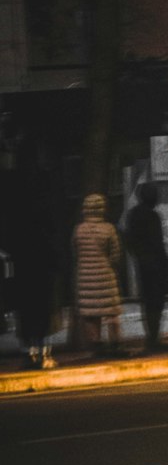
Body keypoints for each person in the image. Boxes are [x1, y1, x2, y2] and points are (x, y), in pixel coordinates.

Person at [9, 132, 62, 370]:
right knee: (43, 304)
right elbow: (50, 218)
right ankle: (43, 351)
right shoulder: (44, 181)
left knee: (27, 305)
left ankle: (28, 351)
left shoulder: (14, 182)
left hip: (23, 254)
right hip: (42, 253)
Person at [72, 192, 124, 356]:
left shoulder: (78, 230)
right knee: (111, 312)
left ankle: (95, 343)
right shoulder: (108, 229)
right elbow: (116, 254)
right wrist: (108, 264)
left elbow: (74, 253)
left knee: (90, 315)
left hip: (85, 277)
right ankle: (115, 342)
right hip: (105, 276)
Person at [124, 181, 168, 353]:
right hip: (155, 265)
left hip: (144, 264)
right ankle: (154, 338)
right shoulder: (152, 216)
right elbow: (157, 243)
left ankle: (152, 338)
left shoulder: (133, 215)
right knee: (156, 303)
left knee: (148, 302)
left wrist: (139, 256)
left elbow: (129, 240)